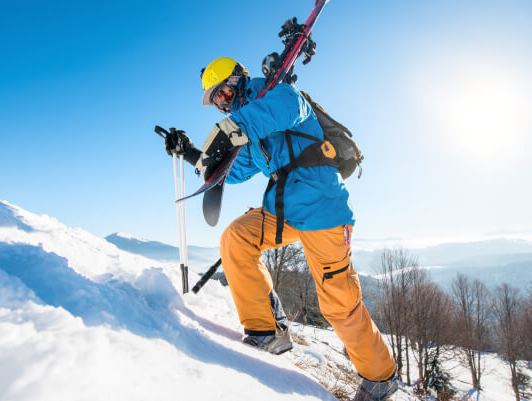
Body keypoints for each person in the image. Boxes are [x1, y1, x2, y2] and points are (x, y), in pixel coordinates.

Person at [164, 57, 398, 401]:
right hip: (283, 211)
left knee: (338, 303)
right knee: (237, 237)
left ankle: (380, 378)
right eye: (217, 102)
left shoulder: (282, 96)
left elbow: (267, 115)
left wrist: (226, 132)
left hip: (322, 210)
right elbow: (232, 170)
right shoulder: (248, 129)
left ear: (239, 80)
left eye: (224, 93)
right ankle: (267, 331)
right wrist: (191, 154)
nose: (223, 104)